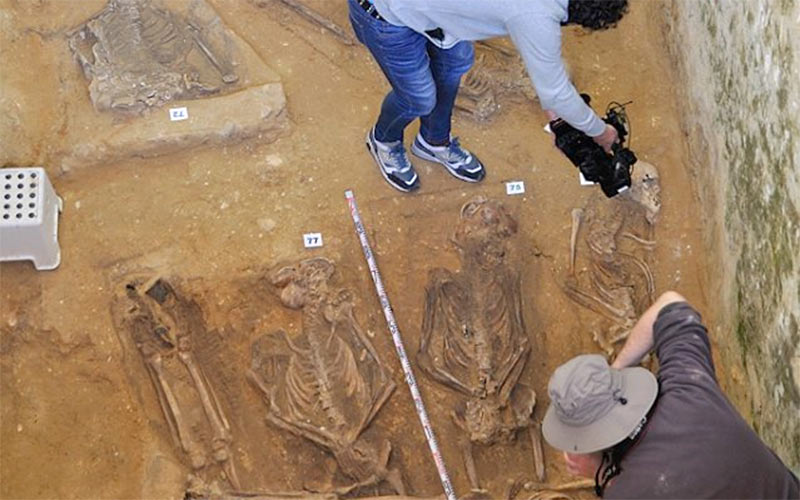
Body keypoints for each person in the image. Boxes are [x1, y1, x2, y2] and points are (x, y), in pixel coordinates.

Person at [541, 291, 800, 499]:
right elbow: (670, 302)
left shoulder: (629, 492)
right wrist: (613, 374)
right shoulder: (688, 385)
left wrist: (599, 474)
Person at [347, 0, 626, 192]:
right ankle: (383, 140)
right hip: (384, 13)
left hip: (436, 15)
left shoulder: (534, 14)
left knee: (456, 63)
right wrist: (601, 133)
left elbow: (549, 86)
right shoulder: (536, 15)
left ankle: (434, 141)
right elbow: (555, 91)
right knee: (418, 98)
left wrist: (557, 116)